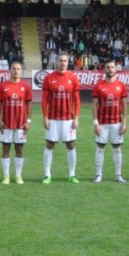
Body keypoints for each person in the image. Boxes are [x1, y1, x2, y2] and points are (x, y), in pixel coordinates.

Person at [41, 52, 82, 184]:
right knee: (49, 145)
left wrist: (76, 118)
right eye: (60, 60)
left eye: (65, 60)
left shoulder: (73, 78)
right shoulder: (49, 78)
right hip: (53, 118)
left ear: (68, 62)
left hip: (68, 119)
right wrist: (45, 117)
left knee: (71, 145)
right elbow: (44, 100)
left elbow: (76, 100)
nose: (63, 63)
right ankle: (47, 175)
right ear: (56, 62)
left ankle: (72, 174)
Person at [0, 60, 31, 184]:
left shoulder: (25, 86)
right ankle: (6, 176)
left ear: (21, 71)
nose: (16, 71)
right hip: (6, 123)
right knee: (5, 149)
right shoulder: (3, 86)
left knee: (19, 149)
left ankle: (18, 176)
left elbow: (29, 105)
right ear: (10, 70)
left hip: (21, 124)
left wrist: (28, 121)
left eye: (18, 69)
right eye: (14, 68)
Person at [92, 59, 128, 182]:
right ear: (104, 69)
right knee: (100, 147)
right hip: (102, 123)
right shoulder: (98, 85)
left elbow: (124, 105)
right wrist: (95, 123)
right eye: (108, 67)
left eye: (112, 67)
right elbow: (94, 105)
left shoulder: (121, 86)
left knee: (117, 148)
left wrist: (124, 123)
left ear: (115, 69)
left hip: (116, 123)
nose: (110, 69)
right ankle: (98, 174)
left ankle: (118, 175)